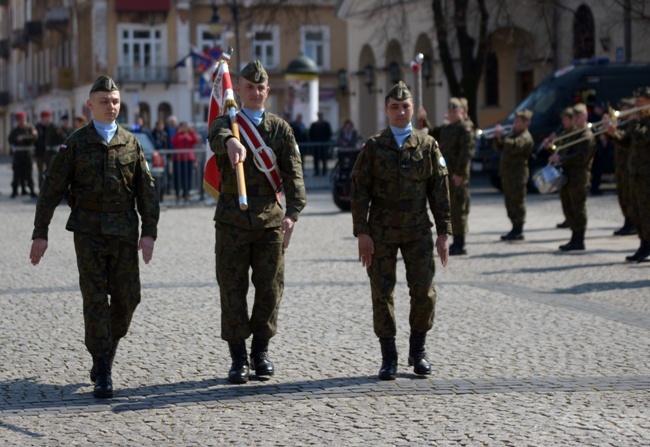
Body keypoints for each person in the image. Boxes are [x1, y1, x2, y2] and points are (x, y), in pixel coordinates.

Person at [29, 75, 160, 398]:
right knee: (95, 299)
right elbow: (51, 188)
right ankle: (102, 366)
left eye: (115, 101)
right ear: (90, 105)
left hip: (124, 232)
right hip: (88, 232)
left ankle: (108, 345)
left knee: (129, 297)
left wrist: (150, 232)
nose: (111, 107)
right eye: (104, 101)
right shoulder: (75, 143)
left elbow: (147, 191)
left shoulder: (132, 142)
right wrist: (40, 232)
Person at [208, 60, 307, 384]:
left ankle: (260, 352)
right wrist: (230, 141)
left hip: (269, 223)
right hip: (232, 222)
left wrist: (292, 214)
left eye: (260, 87)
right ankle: (238, 357)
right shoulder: (227, 122)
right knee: (232, 290)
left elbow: (293, 174)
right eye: (248, 87)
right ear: (239, 89)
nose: (255, 92)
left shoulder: (279, 129)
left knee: (270, 289)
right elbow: (216, 135)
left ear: (267, 90)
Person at [351, 81, 451, 380]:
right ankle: (389, 355)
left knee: (424, 291)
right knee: (382, 292)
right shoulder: (373, 146)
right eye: (394, 107)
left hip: (418, 229)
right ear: (386, 110)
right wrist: (362, 231)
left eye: (405, 106)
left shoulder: (427, 145)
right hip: (381, 230)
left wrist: (445, 231)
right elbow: (359, 189)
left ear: (412, 109)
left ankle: (418, 350)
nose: (400, 111)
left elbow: (440, 190)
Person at [419, 98, 474, 255]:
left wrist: (459, 174)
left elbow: (466, 153)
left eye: (454, 111)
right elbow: (433, 132)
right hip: (446, 175)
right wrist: (424, 119)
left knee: (459, 209)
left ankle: (460, 242)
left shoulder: (465, 129)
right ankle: (454, 240)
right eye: (449, 111)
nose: (451, 114)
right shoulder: (448, 128)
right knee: (450, 208)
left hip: (457, 175)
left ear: (463, 112)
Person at [605, 86, 650, 262]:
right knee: (636, 211)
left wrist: (632, 121)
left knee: (647, 212)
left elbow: (643, 137)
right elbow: (627, 143)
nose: (636, 106)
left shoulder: (641, 123)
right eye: (636, 102)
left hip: (647, 175)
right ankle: (644, 243)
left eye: (640, 103)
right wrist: (612, 133)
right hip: (636, 173)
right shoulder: (639, 122)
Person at [549, 103, 595, 251]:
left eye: (577, 116)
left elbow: (582, 157)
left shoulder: (586, 135)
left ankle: (579, 239)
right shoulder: (572, 134)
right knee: (568, 207)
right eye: (573, 116)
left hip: (579, 177)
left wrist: (561, 159)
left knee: (578, 208)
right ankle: (574, 237)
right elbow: (563, 148)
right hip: (568, 176)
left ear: (584, 117)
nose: (574, 119)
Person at [493, 109, 534, 240]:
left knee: (517, 202)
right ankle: (514, 227)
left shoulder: (525, 136)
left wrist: (503, 136)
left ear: (526, 123)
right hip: (508, 174)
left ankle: (518, 229)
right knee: (509, 202)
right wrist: (497, 137)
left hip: (518, 175)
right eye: (514, 120)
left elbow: (515, 147)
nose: (514, 123)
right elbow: (499, 147)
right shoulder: (513, 134)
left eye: (518, 121)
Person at [541, 107, 575, 229]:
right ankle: (568, 219)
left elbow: (576, 155)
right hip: (564, 171)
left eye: (566, 119)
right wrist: (550, 147)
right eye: (563, 119)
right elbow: (558, 150)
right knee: (565, 199)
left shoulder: (577, 134)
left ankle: (576, 230)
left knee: (575, 201)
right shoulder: (564, 133)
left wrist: (560, 158)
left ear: (573, 120)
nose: (563, 122)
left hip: (574, 173)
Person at [611, 97, 637, 236]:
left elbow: (626, 139)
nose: (621, 111)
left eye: (624, 108)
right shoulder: (623, 123)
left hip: (630, 166)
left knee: (630, 196)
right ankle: (627, 221)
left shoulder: (633, 125)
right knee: (622, 196)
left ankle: (632, 223)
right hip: (620, 166)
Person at [8, 111, 38, 198]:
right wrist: (17, 139)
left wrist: (24, 138)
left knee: (28, 172)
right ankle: (15, 190)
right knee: (16, 173)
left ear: (25, 119)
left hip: (27, 154)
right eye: (19, 120)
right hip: (17, 154)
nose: (21, 121)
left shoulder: (30, 128)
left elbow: (35, 137)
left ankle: (31, 190)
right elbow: (10, 139)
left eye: (23, 119)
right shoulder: (15, 130)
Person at [171, 121, 199, 203]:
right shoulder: (177, 135)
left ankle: (186, 193)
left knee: (188, 177)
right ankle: (177, 193)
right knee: (178, 177)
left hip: (188, 159)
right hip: (178, 159)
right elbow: (173, 142)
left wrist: (192, 131)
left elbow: (195, 141)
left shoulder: (189, 134)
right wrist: (178, 133)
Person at [35, 110, 58, 190]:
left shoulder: (54, 127)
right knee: (40, 172)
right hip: (40, 152)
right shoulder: (37, 127)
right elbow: (35, 139)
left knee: (51, 172)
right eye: (44, 118)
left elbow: (61, 137)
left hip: (50, 153)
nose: (45, 119)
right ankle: (41, 189)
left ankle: (50, 189)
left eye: (47, 118)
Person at [309, 111, 333, 176]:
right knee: (316, 159)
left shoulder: (326, 124)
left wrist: (326, 141)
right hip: (316, 145)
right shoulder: (314, 125)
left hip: (324, 144)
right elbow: (311, 134)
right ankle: (317, 171)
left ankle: (324, 171)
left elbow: (329, 133)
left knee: (324, 158)